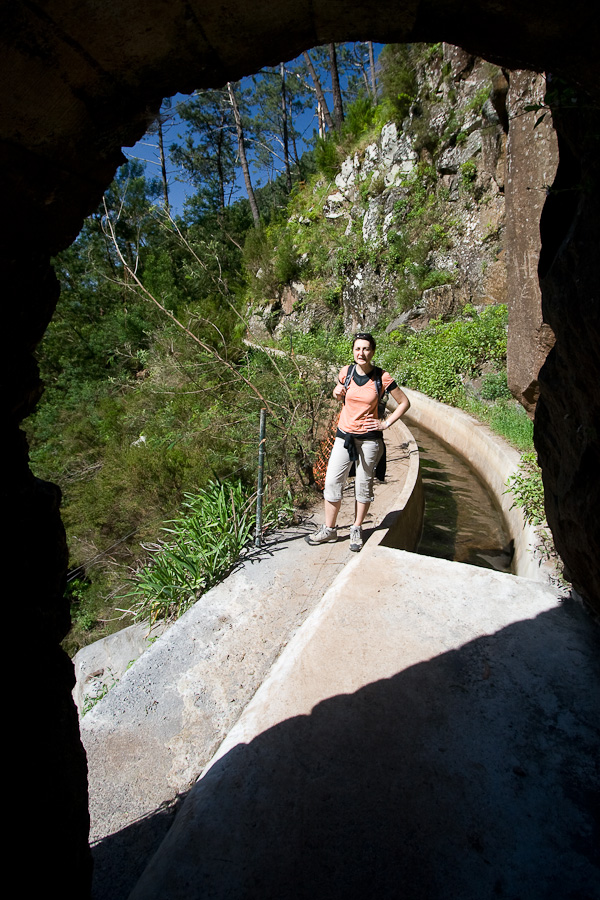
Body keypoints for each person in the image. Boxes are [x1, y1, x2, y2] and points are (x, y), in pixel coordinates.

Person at [307, 332, 410, 552]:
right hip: (344, 437)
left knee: (363, 485)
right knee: (332, 481)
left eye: (366, 349)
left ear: (372, 351)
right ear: (353, 351)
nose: (361, 353)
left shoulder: (382, 377)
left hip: (369, 441)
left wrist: (385, 424)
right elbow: (341, 395)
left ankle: (356, 528)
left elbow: (404, 403)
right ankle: (329, 528)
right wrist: (336, 392)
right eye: (357, 349)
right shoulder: (346, 372)